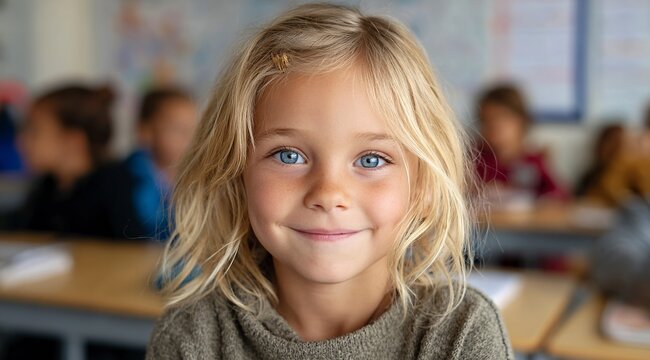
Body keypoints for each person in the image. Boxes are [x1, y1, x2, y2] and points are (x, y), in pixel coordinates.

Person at [147, 4, 513, 359]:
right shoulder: (192, 335)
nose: (328, 194)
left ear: (422, 186)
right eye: (288, 155)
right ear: (236, 172)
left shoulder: (461, 334)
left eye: (371, 160)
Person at [5, 84, 149, 239]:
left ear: (73, 141)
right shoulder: (48, 187)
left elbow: (132, 250)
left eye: (34, 131)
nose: (20, 141)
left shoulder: (113, 186)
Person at [122, 87, 197, 240]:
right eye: (178, 129)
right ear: (145, 131)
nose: (188, 138)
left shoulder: (197, 176)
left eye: (193, 129)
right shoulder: (125, 178)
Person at [475, 84, 567, 202]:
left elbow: (560, 194)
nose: (495, 126)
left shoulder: (534, 161)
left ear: (522, 122)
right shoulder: (476, 160)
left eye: (503, 118)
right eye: (487, 120)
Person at [574, 123, 625, 205]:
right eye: (612, 144)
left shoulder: (634, 180)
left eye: (621, 145)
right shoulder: (591, 177)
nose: (614, 150)